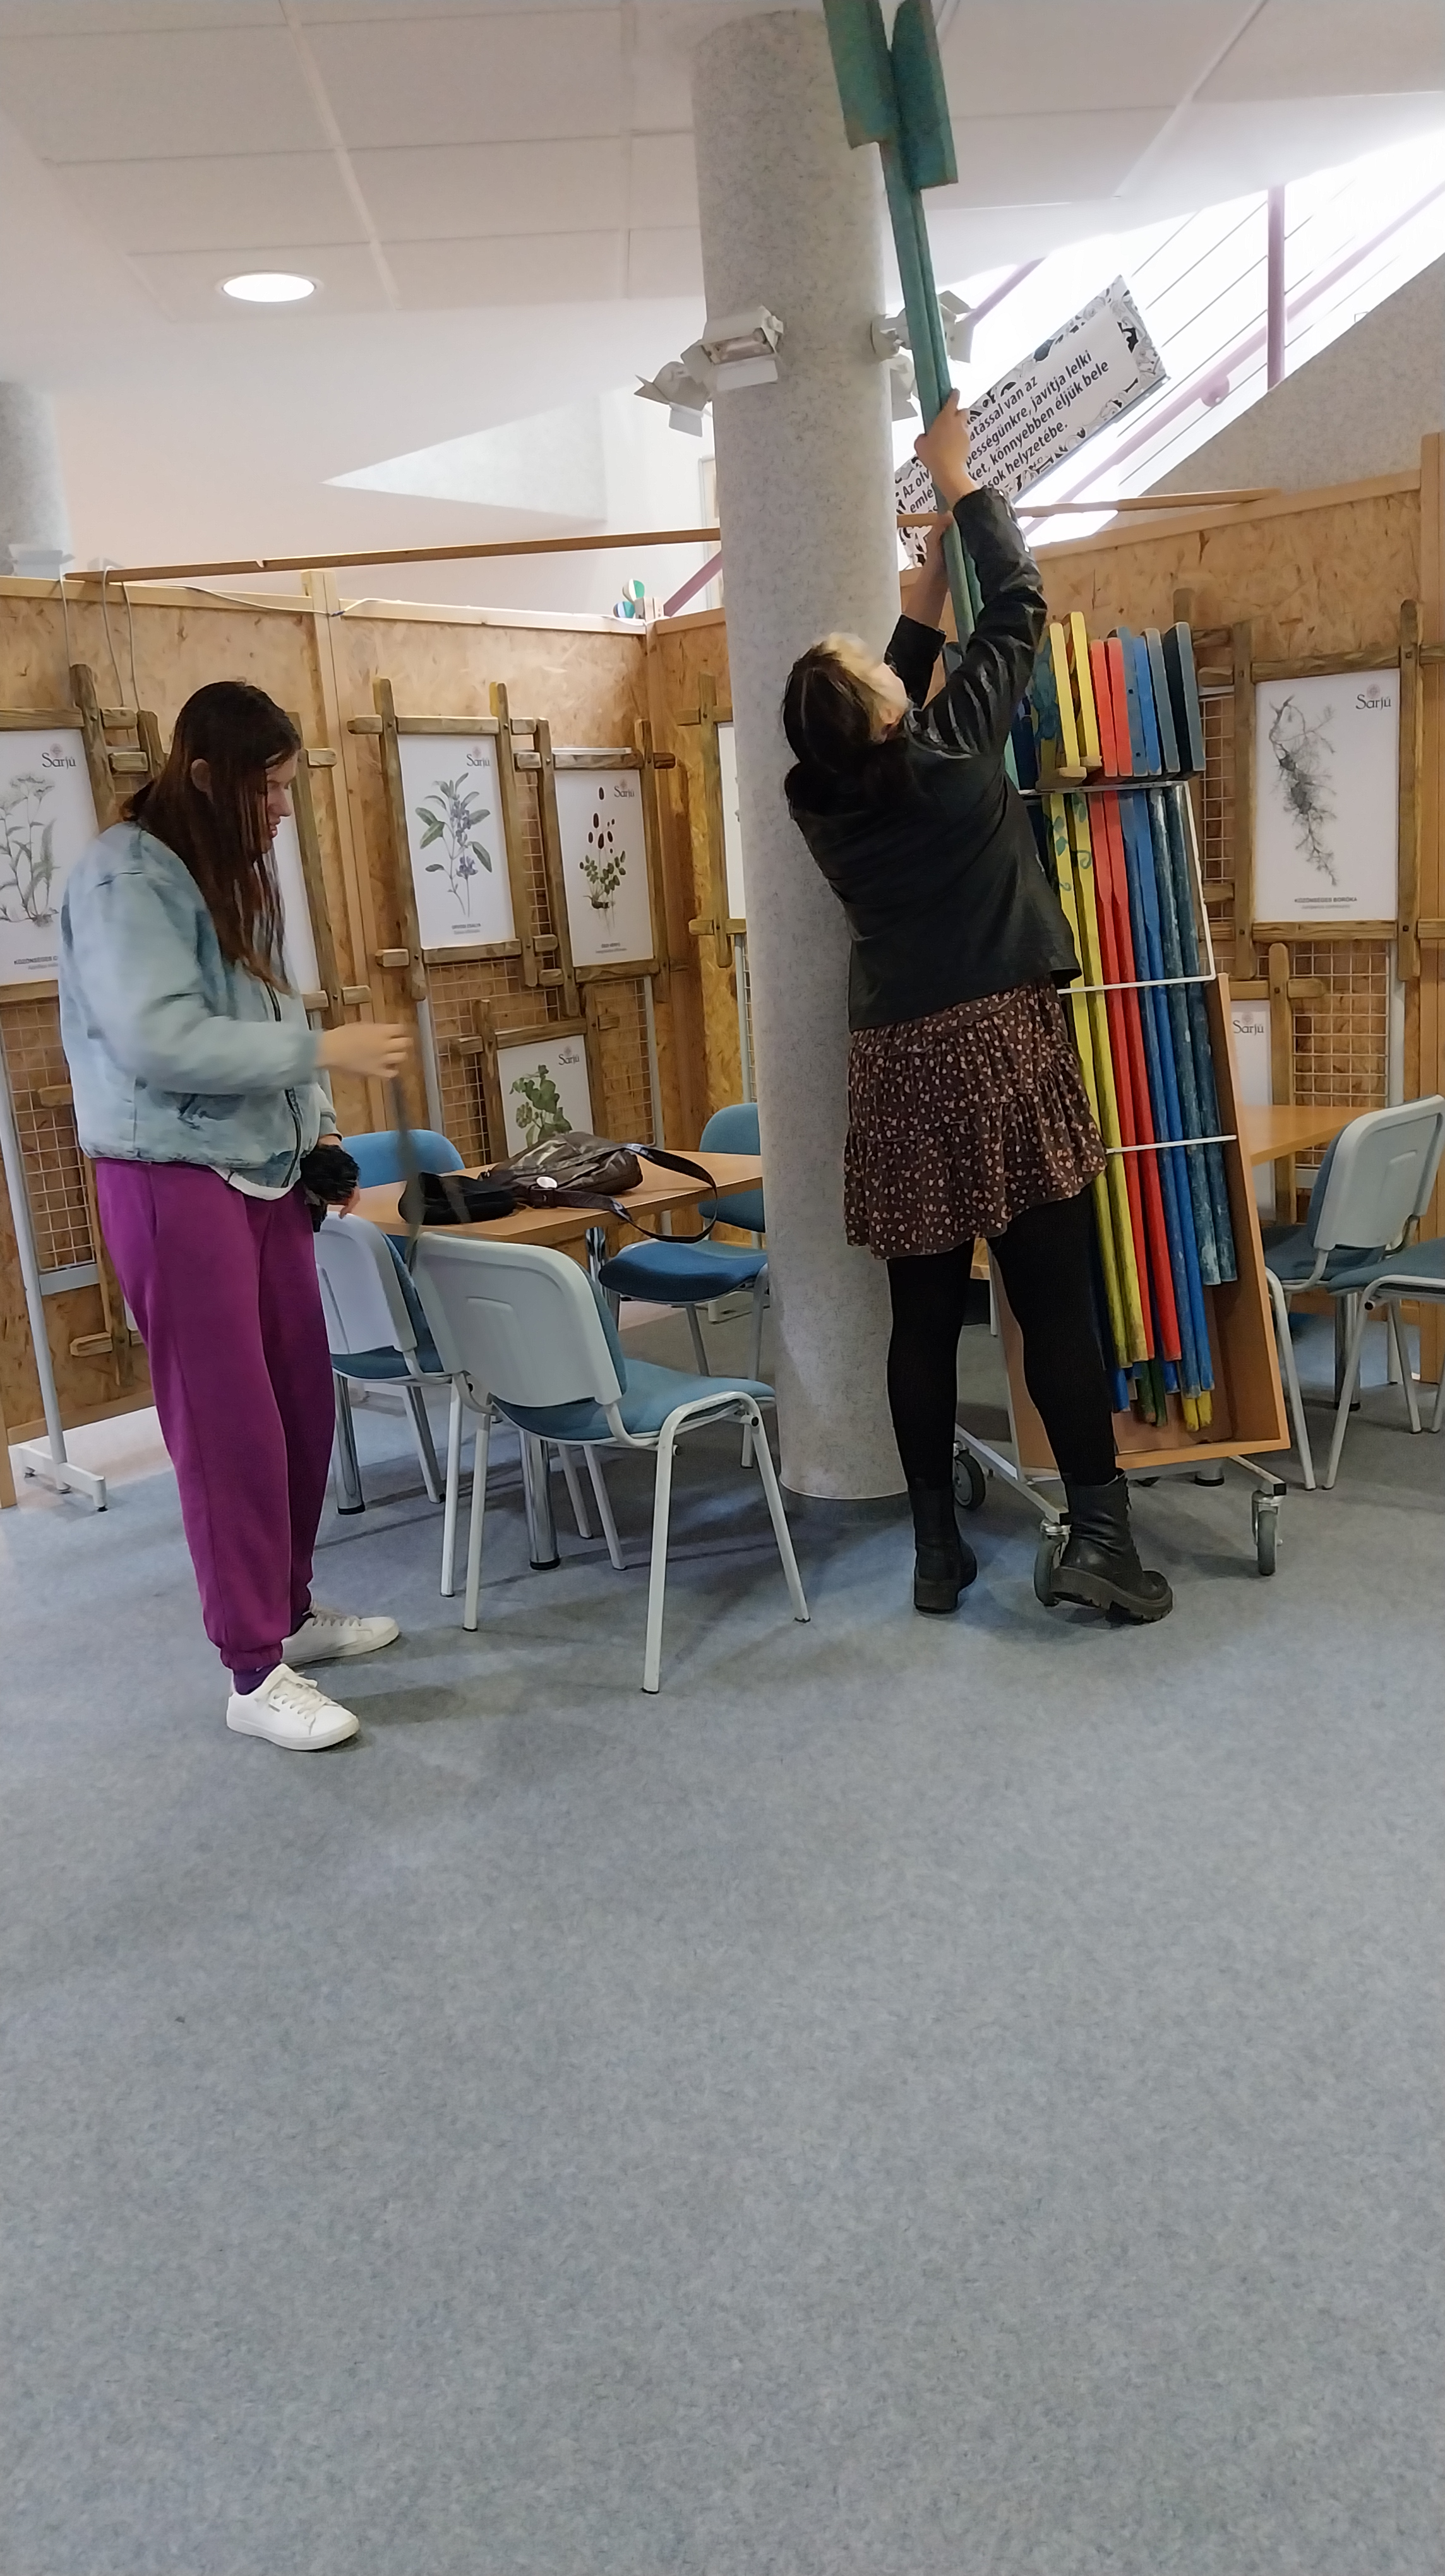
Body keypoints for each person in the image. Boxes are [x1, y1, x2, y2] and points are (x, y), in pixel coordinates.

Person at [782, 393, 1171, 1624]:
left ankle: (936, 1554)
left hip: (897, 1065)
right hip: (998, 1046)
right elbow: (1021, 609)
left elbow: (874, 722)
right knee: (1054, 1301)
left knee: (920, 1318)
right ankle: (1099, 1538)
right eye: (883, 673)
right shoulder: (949, 757)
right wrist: (959, 484)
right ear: (892, 716)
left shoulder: (816, 798)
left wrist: (913, 617)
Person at [59, 681, 416, 1747]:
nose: (282, 809)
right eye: (268, 788)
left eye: (287, 787)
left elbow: (269, 1002)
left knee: (301, 1404)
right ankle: (252, 1671)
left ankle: (288, 1612)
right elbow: (159, 1038)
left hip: (262, 1168)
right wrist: (325, 1050)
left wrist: (322, 1129)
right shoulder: (125, 875)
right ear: (208, 777)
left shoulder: (234, 869)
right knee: (228, 1429)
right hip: (169, 1173)